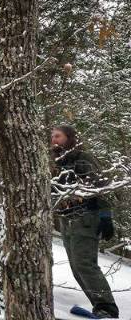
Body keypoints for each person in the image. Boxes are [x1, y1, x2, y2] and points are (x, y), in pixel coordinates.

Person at [51, 125, 118, 319]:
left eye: (58, 136)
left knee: (85, 264)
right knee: (75, 266)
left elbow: (102, 187)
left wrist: (106, 216)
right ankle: (100, 307)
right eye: (52, 136)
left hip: (87, 217)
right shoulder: (58, 162)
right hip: (67, 218)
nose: (54, 139)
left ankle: (107, 308)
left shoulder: (83, 158)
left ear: (70, 137)